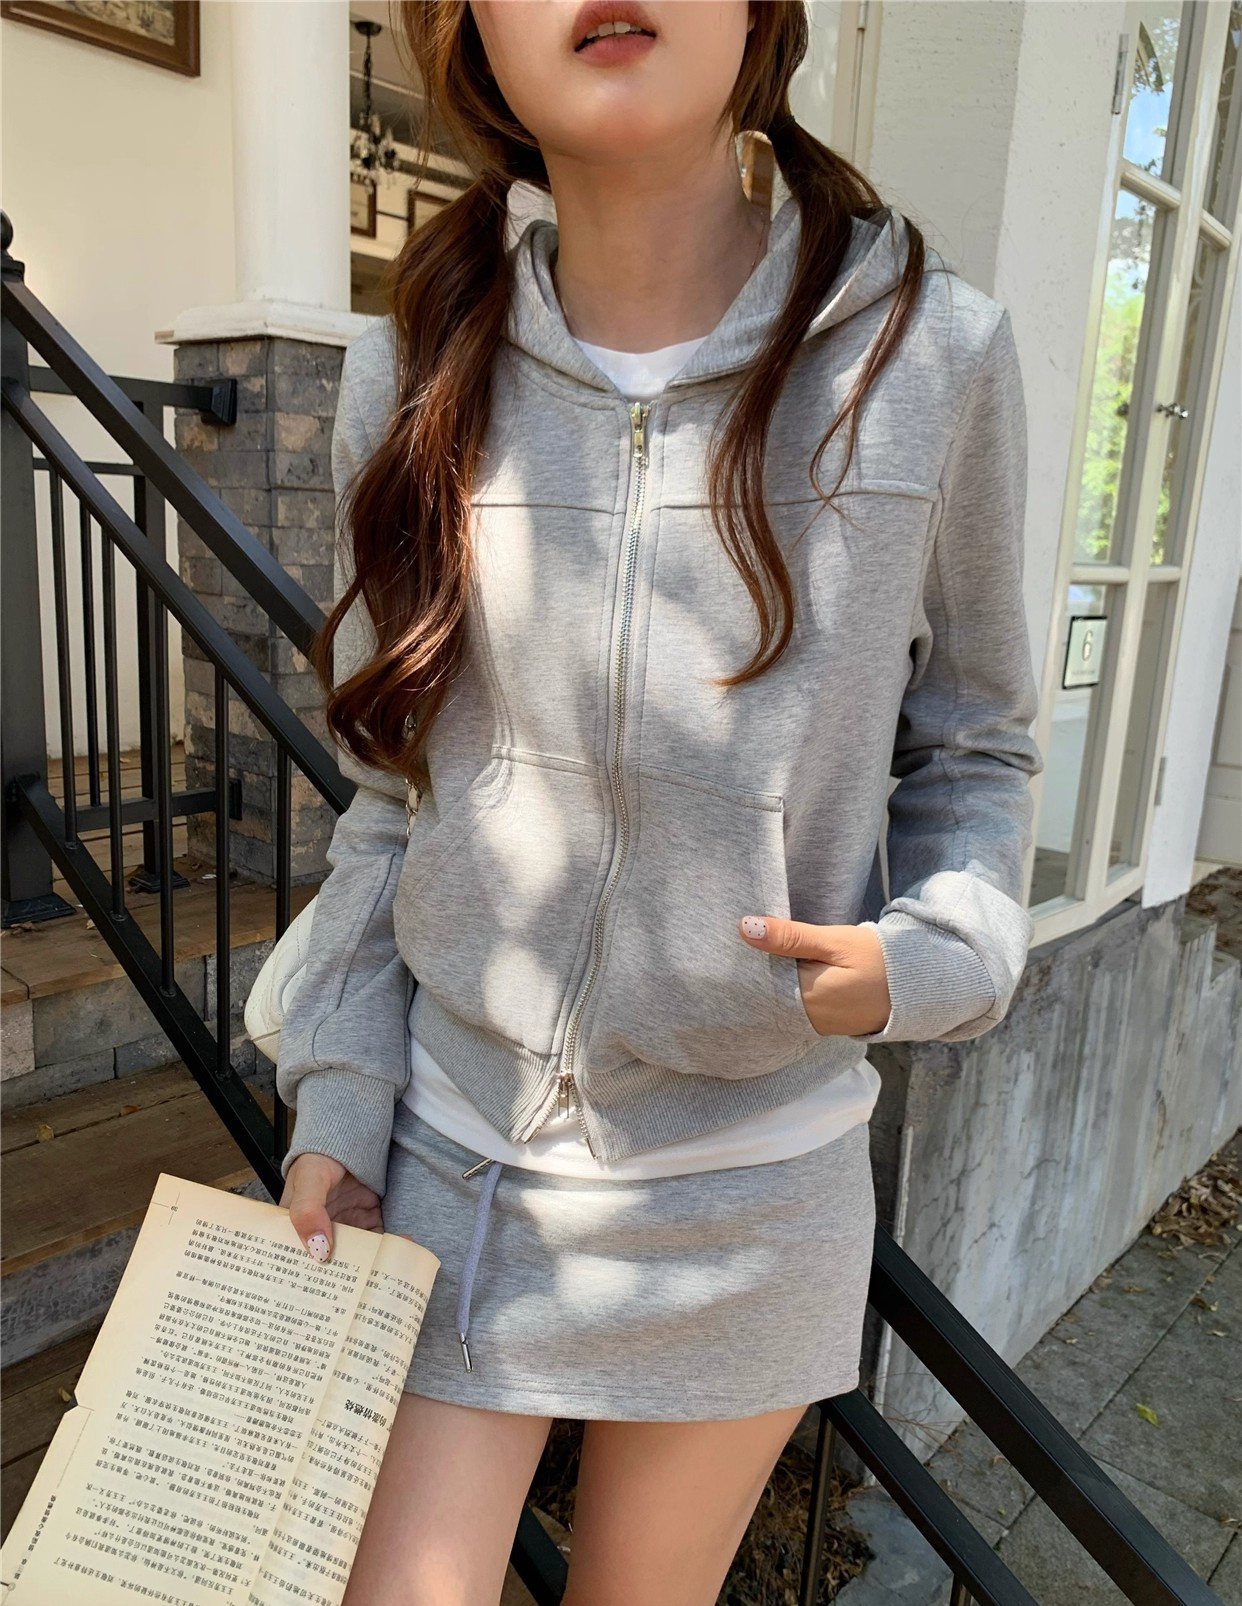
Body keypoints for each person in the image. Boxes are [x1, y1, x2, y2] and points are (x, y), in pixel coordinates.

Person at [276, 2, 1044, 1601]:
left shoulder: (931, 358)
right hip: (450, 1165)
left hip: (750, 1187)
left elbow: (975, 744)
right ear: (470, 29)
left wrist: (931, 957)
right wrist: (339, 1093)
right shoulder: (411, 366)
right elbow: (386, 799)